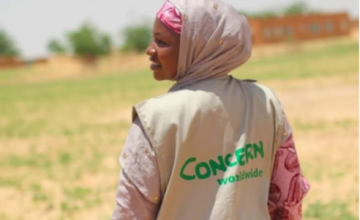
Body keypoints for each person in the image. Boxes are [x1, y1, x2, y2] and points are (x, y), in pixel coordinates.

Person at [111, 0, 310, 219]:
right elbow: (288, 199)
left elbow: (130, 213)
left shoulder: (154, 119)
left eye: (161, 42)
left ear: (197, 46)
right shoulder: (266, 101)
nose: (150, 50)